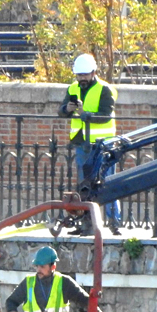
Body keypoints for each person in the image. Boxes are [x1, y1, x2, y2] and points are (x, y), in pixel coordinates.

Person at [58, 53, 121, 235]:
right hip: (81, 142)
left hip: (103, 144)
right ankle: (86, 224)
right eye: (79, 75)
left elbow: (105, 115)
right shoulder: (73, 88)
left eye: (85, 75)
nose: (82, 78)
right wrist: (66, 109)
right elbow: (61, 111)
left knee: (107, 182)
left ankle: (114, 222)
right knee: (84, 186)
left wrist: (86, 114)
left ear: (94, 72)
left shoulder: (105, 89)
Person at [5, 246, 113, 312]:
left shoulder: (64, 283)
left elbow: (84, 299)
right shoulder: (28, 283)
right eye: (37, 266)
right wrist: (11, 310)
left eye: (42, 267)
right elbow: (11, 301)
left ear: (53, 267)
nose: (38, 269)